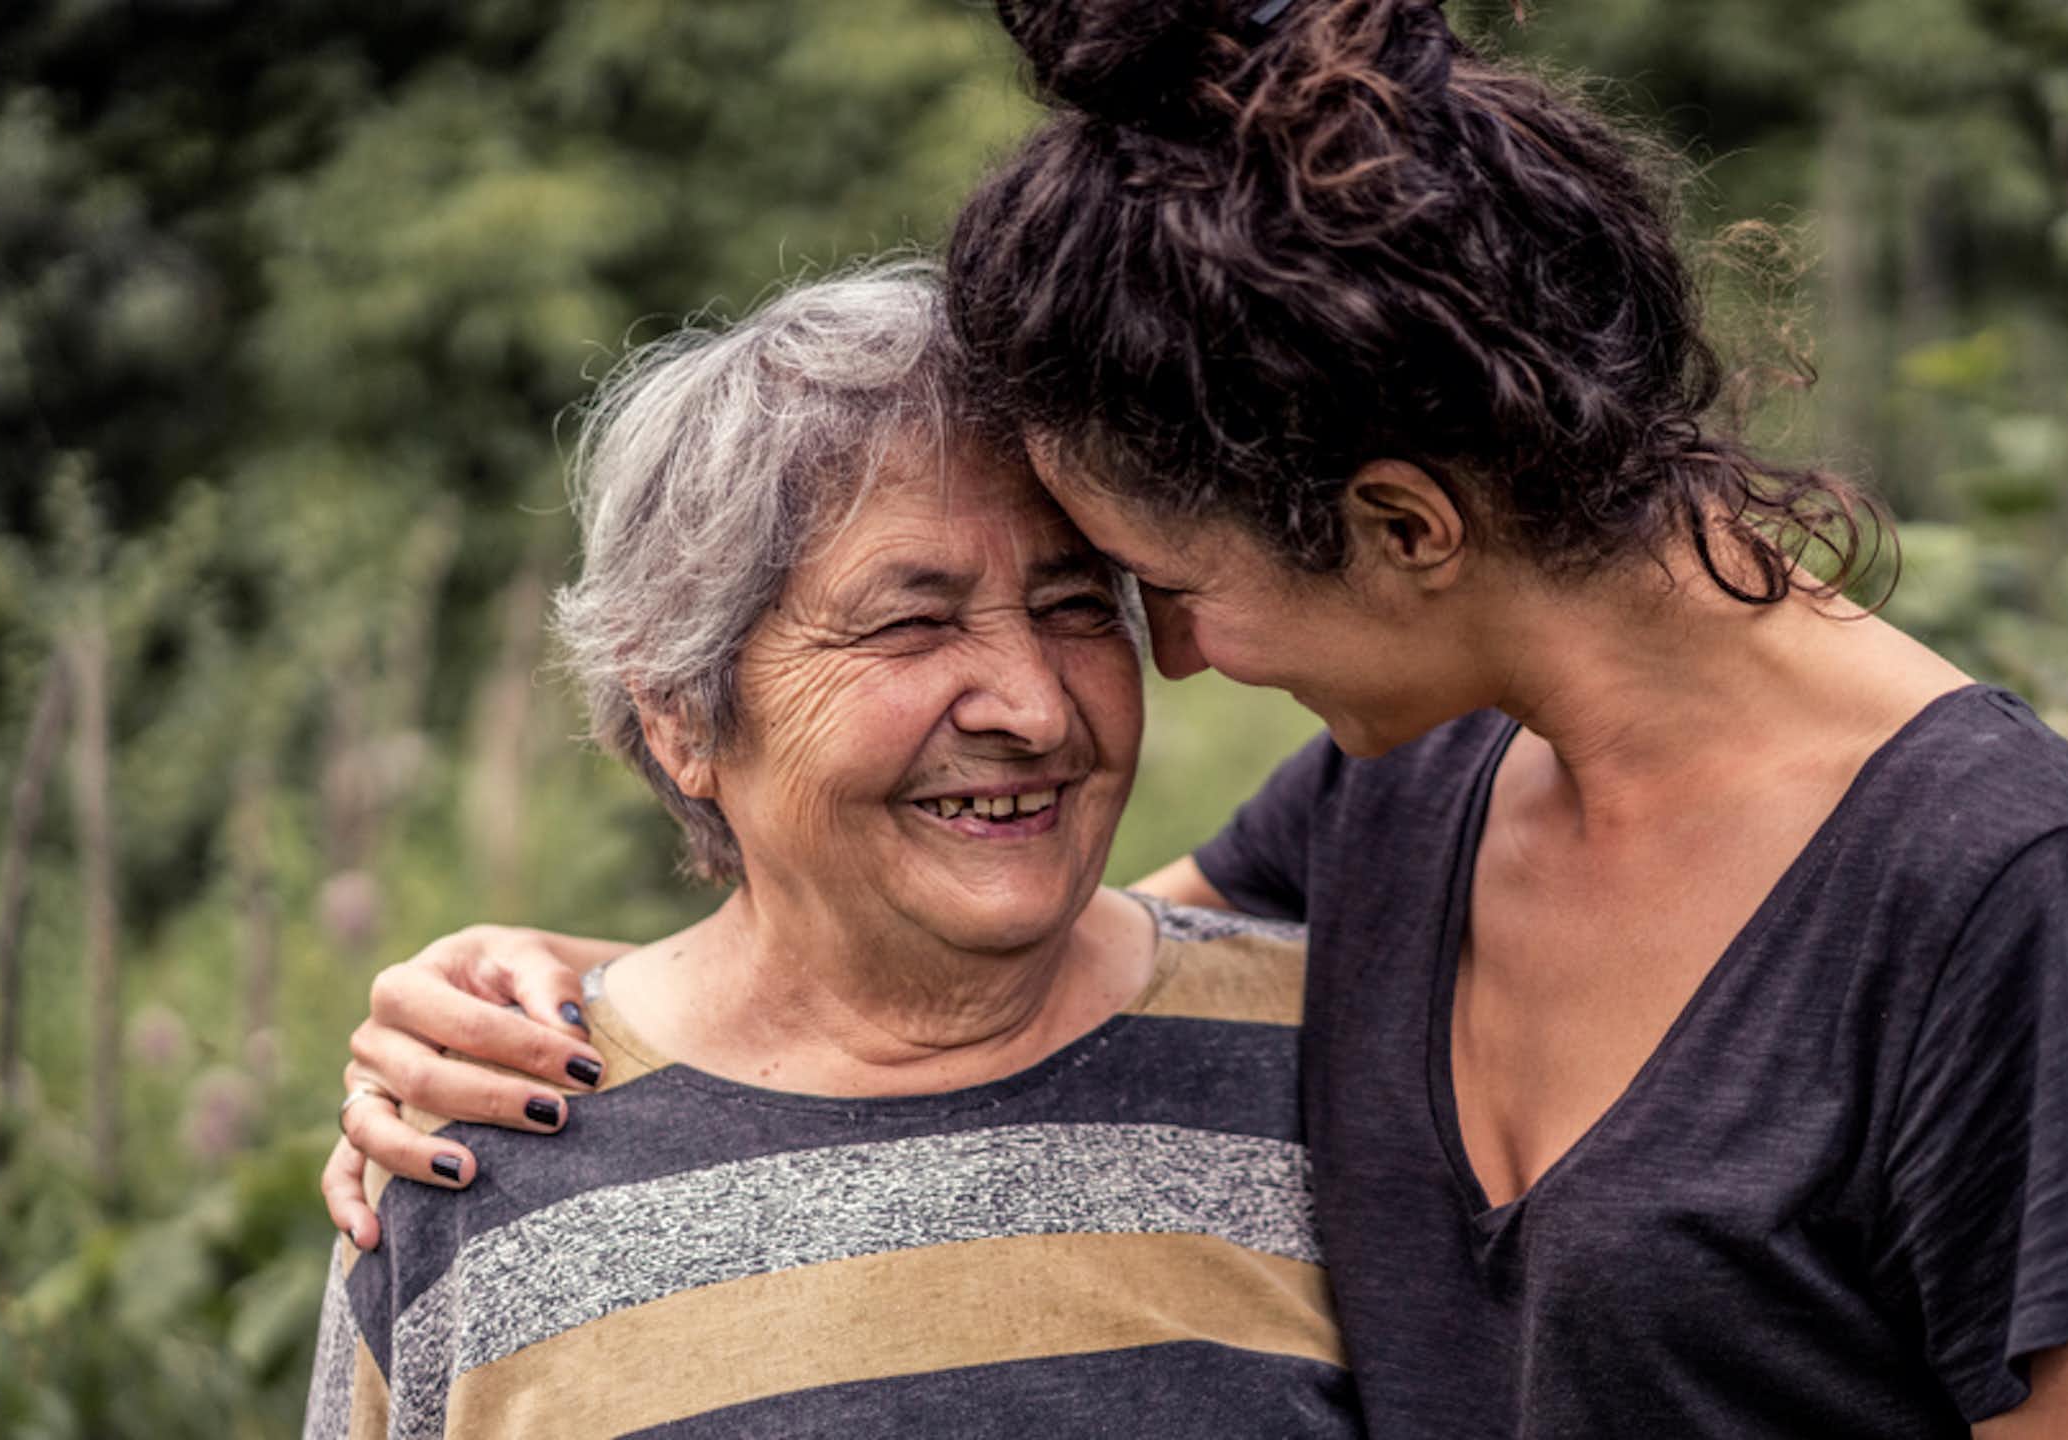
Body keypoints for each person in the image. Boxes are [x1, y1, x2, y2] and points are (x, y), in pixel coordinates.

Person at [326, 3, 2068, 1434]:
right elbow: (978, 969)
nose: (1168, 664)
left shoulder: (2002, 892)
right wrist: (577, 1000)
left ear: (1403, 528)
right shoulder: (1410, 804)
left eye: (1152, 587)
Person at [302, 268, 1360, 1439]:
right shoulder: (479, 1154)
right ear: (684, 721)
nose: (1038, 711)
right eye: (911, 623)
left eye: (1073, 606)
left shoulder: (1337, 1058)